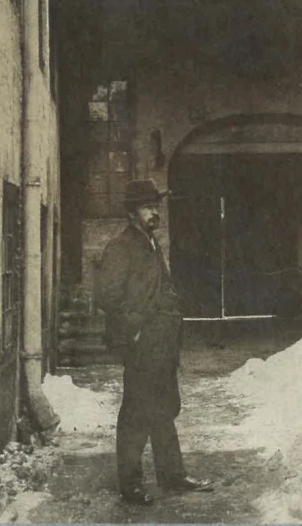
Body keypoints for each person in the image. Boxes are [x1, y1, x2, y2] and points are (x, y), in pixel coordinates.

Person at [95, 178, 213, 506]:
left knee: (163, 409)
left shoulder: (150, 243)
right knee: (136, 412)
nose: (154, 212)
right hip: (142, 343)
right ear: (132, 212)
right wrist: (134, 328)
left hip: (162, 342)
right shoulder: (121, 247)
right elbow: (106, 295)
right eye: (148, 207)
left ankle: (173, 475)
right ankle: (130, 485)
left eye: (156, 206)